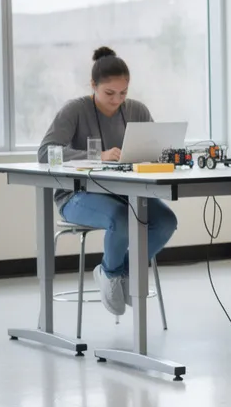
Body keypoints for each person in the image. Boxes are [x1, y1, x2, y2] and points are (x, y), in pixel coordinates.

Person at [38, 47, 178, 316]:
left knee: (166, 221)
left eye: (123, 93)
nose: (117, 100)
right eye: (109, 93)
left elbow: (156, 148)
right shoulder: (75, 110)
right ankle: (111, 274)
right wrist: (97, 156)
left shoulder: (137, 110)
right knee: (122, 218)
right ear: (93, 86)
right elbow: (45, 152)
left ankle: (123, 271)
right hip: (76, 196)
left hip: (126, 193)